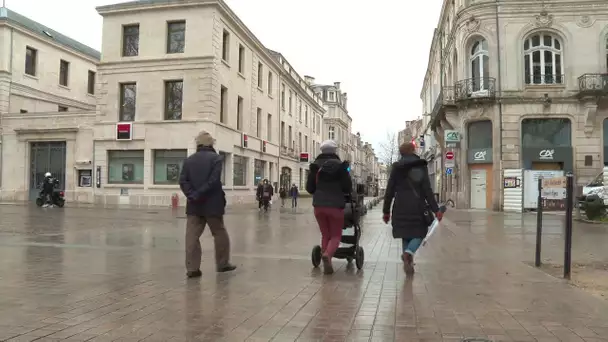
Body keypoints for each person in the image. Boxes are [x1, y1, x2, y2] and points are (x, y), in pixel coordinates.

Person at [180, 131, 236, 278]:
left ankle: (192, 268)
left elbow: (183, 181)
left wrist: (192, 195)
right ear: (211, 144)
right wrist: (199, 193)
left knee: (192, 236)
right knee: (219, 233)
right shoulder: (216, 159)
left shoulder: (189, 160)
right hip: (212, 205)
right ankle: (222, 263)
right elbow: (213, 181)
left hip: (194, 205)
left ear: (198, 144)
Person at [382, 142, 442, 275]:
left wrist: (386, 211)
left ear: (401, 153)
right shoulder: (421, 166)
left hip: (400, 205)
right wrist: (435, 209)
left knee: (406, 234)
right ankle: (409, 253)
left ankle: (408, 261)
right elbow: (427, 189)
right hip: (417, 205)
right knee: (420, 233)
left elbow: (389, 191)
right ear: (413, 150)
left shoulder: (397, 168)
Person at [306, 140, 352, 274]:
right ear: (335, 151)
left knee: (325, 234)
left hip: (319, 206)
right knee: (336, 235)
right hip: (336, 206)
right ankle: (327, 255)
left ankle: (327, 258)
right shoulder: (341, 167)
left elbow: (310, 188)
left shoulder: (315, 167)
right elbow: (347, 187)